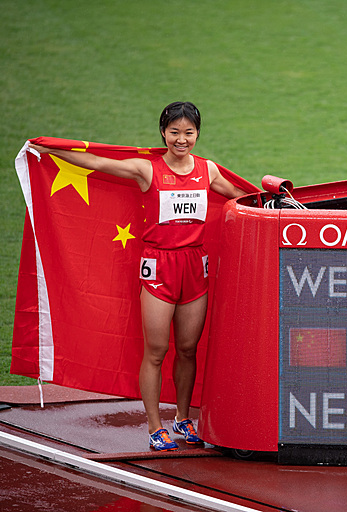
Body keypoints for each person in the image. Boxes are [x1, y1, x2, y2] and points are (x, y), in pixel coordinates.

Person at [29, 101, 247, 451]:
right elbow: (98, 162)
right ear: (163, 133)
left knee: (188, 349)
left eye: (188, 133)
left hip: (194, 267)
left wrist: (280, 204)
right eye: (174, 132)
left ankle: (182, 419)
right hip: (159, 267)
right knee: (157, 351)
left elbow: (244, 198)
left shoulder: (208, 171)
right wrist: (54, 149)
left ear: (197, 134)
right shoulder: (147, 169)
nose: (181, 139)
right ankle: (154, 426)